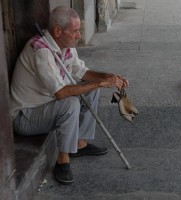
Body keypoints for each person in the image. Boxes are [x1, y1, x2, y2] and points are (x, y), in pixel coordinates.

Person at [10, 6, 128, 185]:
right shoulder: (41, 50)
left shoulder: (65, 45)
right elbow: (61, 92)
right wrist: (99, 82)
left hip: (46, 105)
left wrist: (108, 77)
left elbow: (81, 71)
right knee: (70, 103)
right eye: (75, 31)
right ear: (58, 30)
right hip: (25, 116)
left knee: (91, 89)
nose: (79, 35)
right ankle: (63, 159)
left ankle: (80, 144)